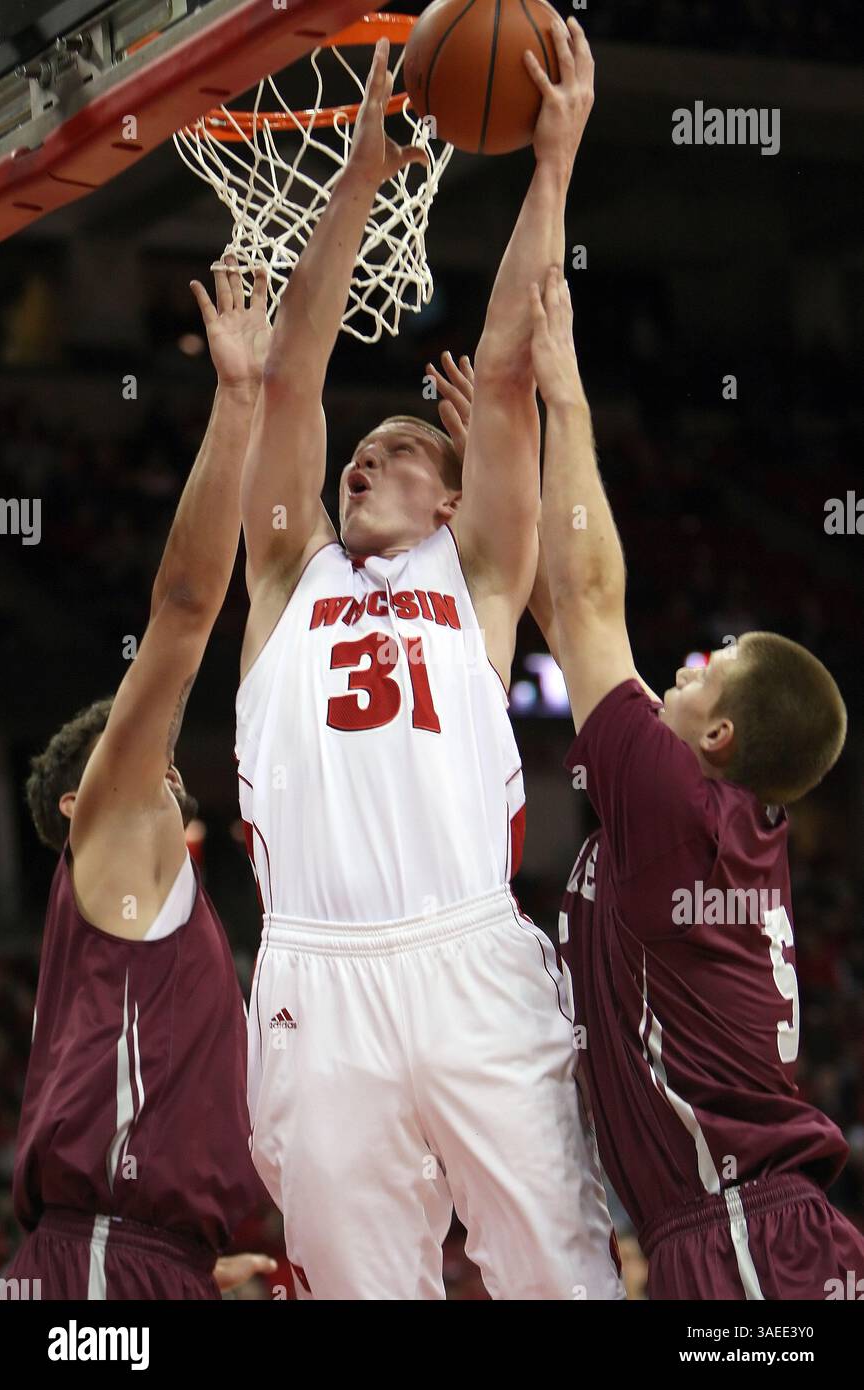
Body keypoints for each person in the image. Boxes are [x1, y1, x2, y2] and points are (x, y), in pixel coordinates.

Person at [235, 23, 623, 1299]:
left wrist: (550, 161)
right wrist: (354, 186)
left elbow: (503, 373)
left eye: (399, 448)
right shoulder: (286, 578)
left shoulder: (481, 575)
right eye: (359, 454)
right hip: (314, 977)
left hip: (469, 956)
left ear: (453, 499)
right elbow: (289, 386)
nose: (363, 458)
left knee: (561, 1276)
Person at [529, 261, 864, 1300]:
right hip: (751, 1231)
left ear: (716, 733)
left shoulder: (677, 804)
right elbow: (560, 610)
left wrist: (563, 392)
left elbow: (588, 600)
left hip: (743, 1238)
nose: (680, 667)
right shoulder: (713, 815)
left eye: (705, 667)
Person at [4, 262, 274, 1300]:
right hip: (106, 1263)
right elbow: (184, 607)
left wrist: (192, 1262)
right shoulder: (115, 827)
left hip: (138, 1260)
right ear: (86, 802)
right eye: (136, 759)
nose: (162, 764)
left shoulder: (143, 917)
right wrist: (238, 402)